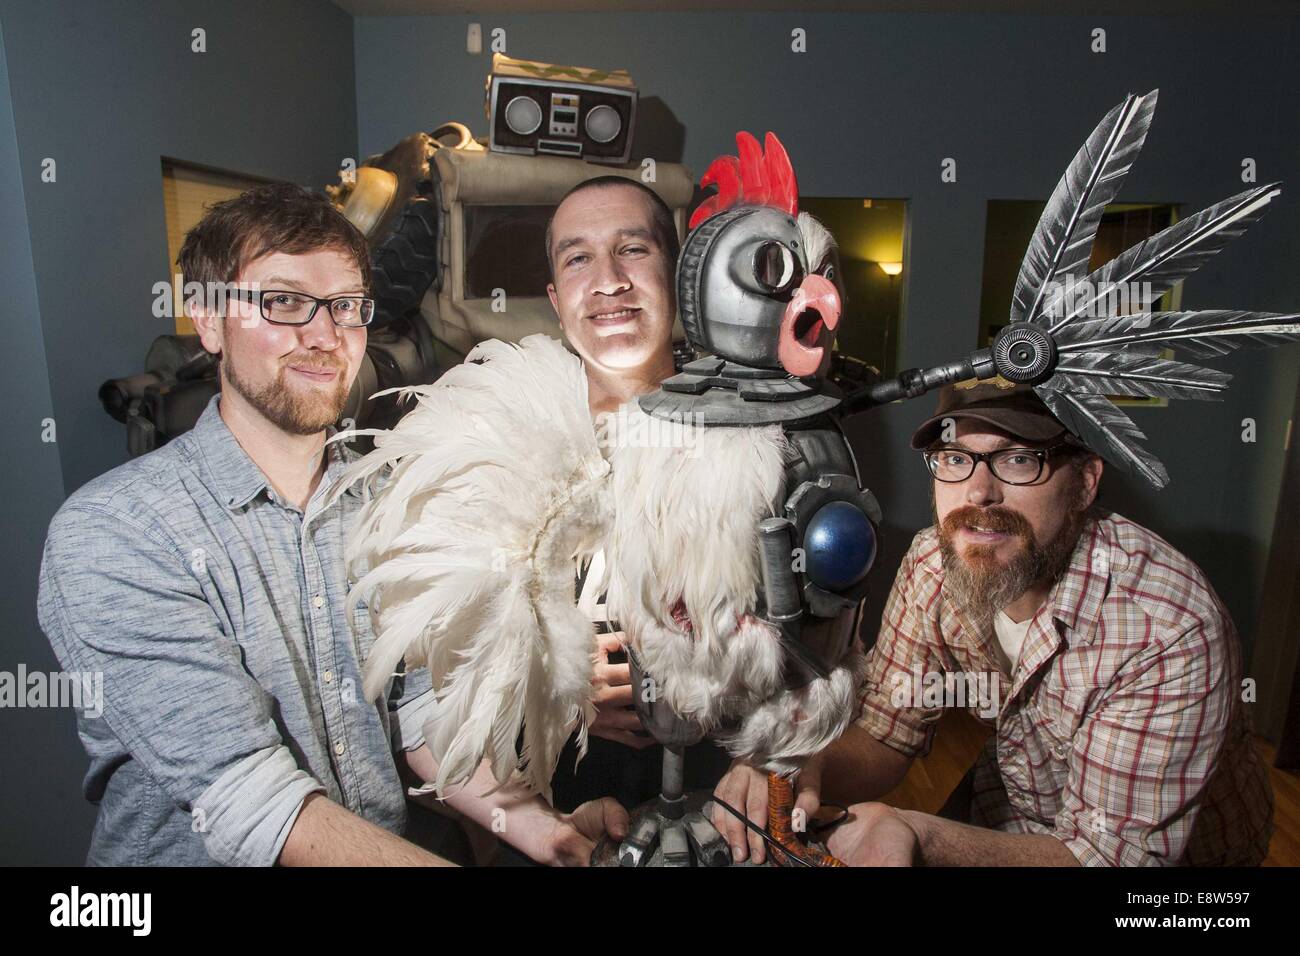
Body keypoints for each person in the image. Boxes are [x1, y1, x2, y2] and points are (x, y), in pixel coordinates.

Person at [36, 182, 623, 866]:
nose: (323, 336)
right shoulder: (112, 533)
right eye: (283, 302)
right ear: (208, 320)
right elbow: (252, 802)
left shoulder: (385, 502)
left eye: (344, 306)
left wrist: (541, 830)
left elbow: (419, 718)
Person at [714, 379, 1274, 866]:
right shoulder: (934, 562)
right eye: (956, 459)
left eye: (1018, 459)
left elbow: (1111, 857)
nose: (979, 493)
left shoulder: (1166, 628)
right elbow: (888, 731)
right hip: (1005, 810)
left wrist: (921, 834)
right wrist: (803, 768)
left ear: (1084, 483)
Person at [542, 175, 733, 814]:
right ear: (554, 297)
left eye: (632, 249)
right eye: (578, 258)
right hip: (561, 795)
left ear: (677, 277)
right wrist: (553, 682)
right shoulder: (506, 439)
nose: (608, 280)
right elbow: (447, 653)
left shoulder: (754, 427)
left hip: (729, 785)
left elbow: (824, 647)